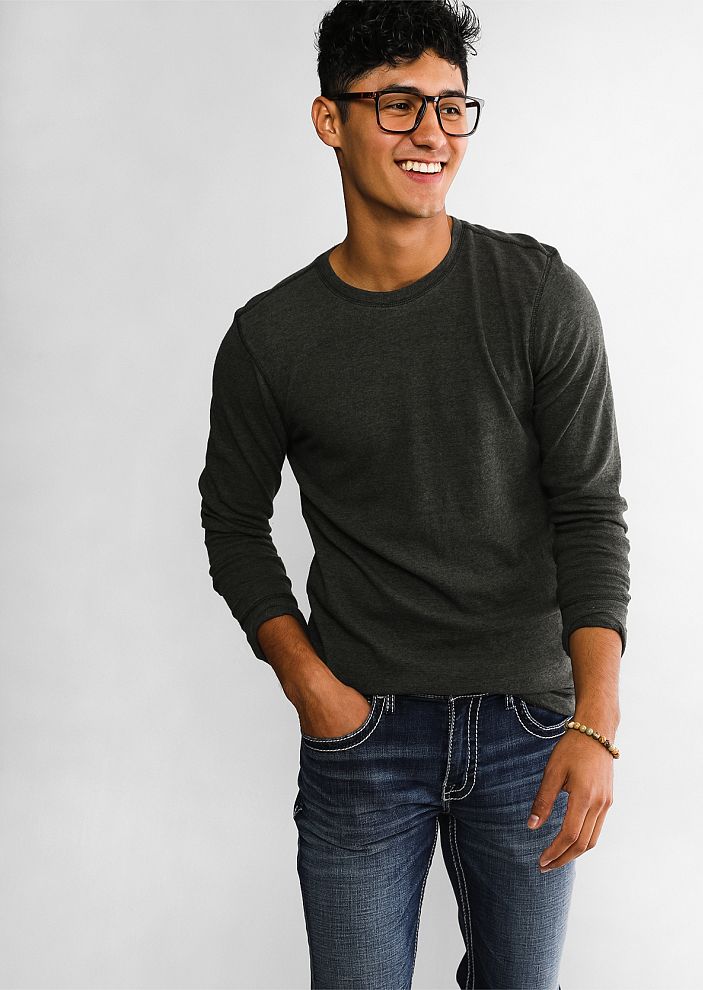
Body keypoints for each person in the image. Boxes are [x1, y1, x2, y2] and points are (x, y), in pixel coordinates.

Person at [198, 2, 631, 987]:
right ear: (330, 119)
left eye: (449, 105)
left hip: (530, 728)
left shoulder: (537, 296)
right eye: (397, 105)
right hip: (363, 735)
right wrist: (312, 689)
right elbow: (232, 523)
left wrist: (594, 720)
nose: (431, 132)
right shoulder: (271, 337)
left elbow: (588, 512)